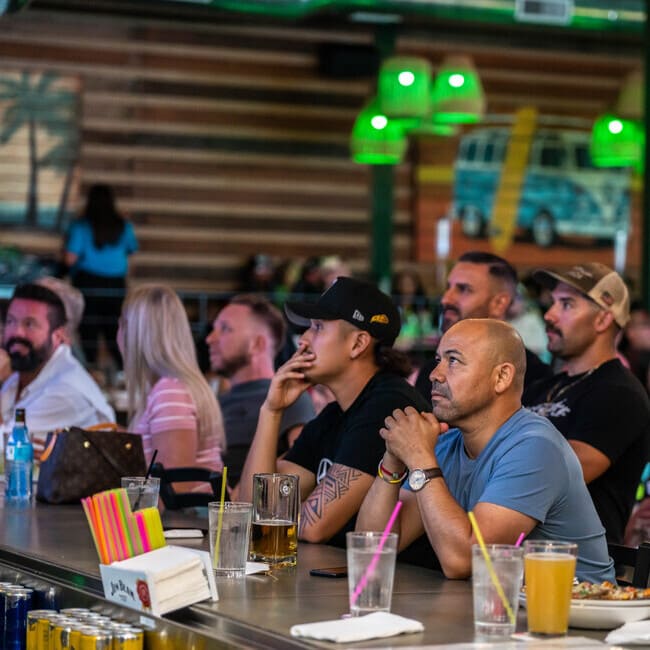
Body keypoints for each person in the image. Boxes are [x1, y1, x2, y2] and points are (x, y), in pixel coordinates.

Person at [356, 318, 614, 583]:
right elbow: (372, 548)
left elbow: (464, 561)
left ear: (501, 377)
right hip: (502, 611)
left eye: (453, 360)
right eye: (437, 360)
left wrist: (420, 459)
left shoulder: (534, 447)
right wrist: (393, 459)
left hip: (578, 613)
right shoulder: (447, 444)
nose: (435, 374)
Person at [238, 277, 431, 547]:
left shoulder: (387, 407)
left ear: (358, 344)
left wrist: (280, 515)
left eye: (317, 328)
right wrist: (271, 411)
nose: (303, 340)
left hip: (401, 585)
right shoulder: (334, 415)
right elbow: (251, 509)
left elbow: (313, 528)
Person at [522, 263, 650, 544]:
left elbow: (556, 476)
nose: (549, 315)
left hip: (579, 571)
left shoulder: (619, 392)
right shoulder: (541, 387)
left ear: (603, 320)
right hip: (522, 557)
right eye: (553, 302)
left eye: (566, 304)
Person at [206, 294, 315, 486]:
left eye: (224, 329)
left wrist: (241, 491)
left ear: (257, 344)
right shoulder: (218, 400)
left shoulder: (290, 397)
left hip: (246, 510)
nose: (210, 339)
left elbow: (304, 465)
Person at [415, 251, 552, 400]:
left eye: (464, 289)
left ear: (499, 303)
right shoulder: (432, 370)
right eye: (448, 287)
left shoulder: (533, 378)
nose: (446, 299)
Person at [118, 284, 225, 473]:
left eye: (121, 324)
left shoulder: (171, 392)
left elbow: (176, 488)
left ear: (135, 333)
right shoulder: (172, 388)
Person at [0, 283, 115, 455]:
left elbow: (5, 447)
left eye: (29, 324)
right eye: (10, 321)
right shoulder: (24, 372)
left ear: (58, 335)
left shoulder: (65, 390)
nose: (17, 332)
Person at [63, 184, 138, 368]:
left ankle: (91, 372)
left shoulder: (81, 226)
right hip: (116, 285)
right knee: (115, 330)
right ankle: (124, 373)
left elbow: (70, 259)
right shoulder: (124, 225)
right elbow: (132, 249)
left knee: (89, 331)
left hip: (88, 282)